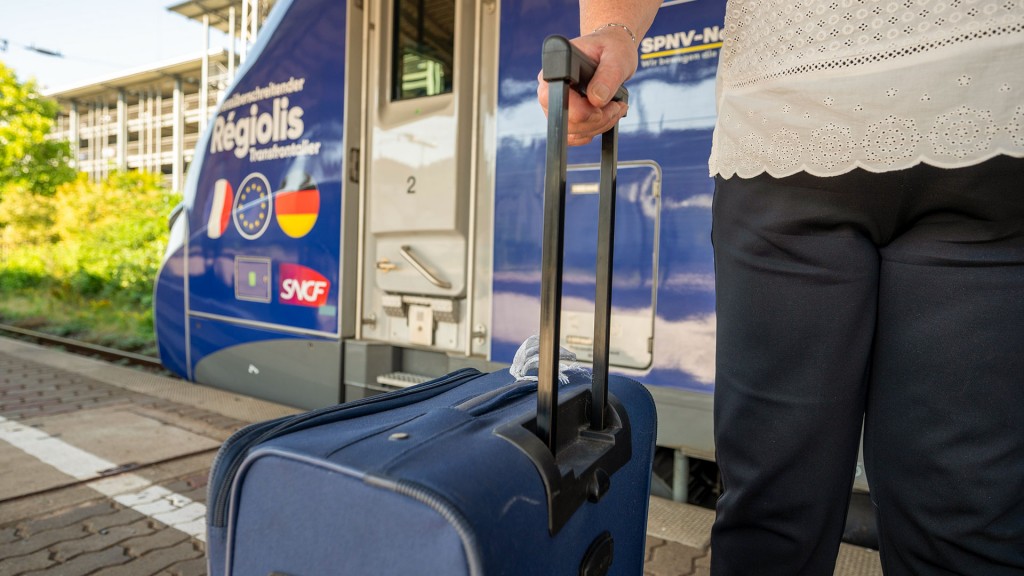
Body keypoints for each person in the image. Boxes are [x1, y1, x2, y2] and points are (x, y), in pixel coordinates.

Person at [538, 1, 1024, 574]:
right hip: (848, 134)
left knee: (775, 514)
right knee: (962, 519)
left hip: (863, 126)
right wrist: (611, 30)